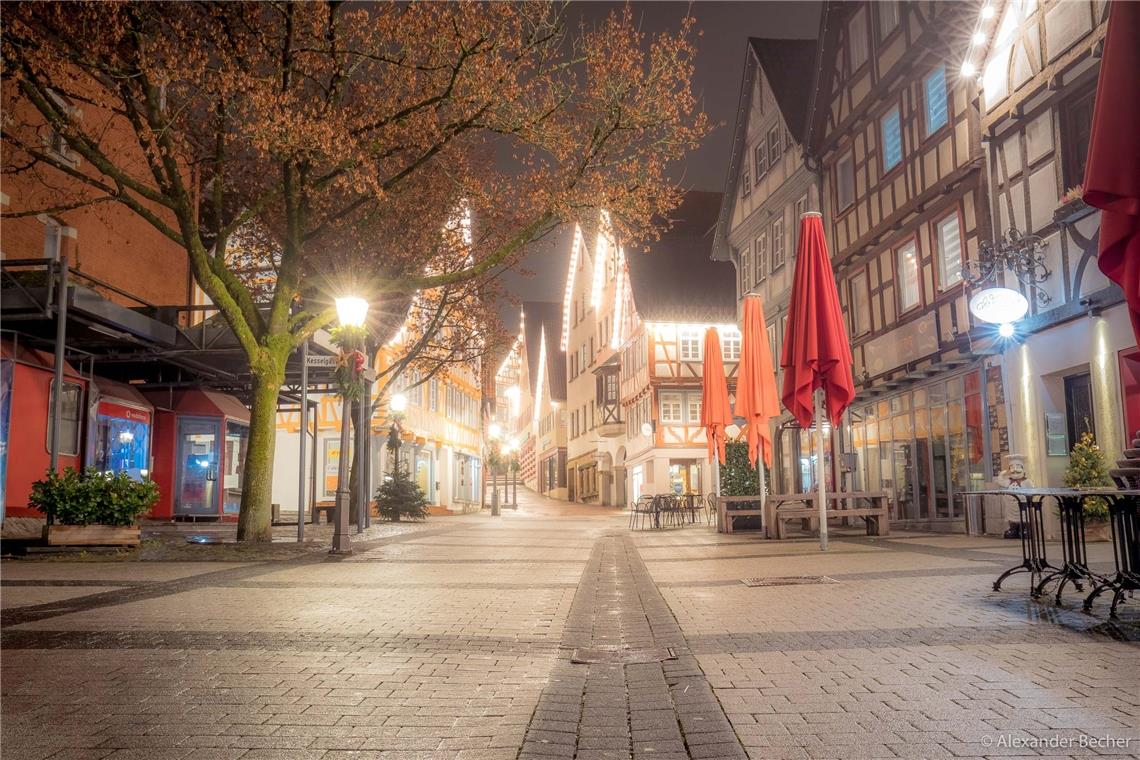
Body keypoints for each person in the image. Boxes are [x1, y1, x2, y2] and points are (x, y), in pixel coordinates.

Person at [996, 454, 1033, 539]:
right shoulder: (1009, 481)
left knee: (1023, 516)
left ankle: (1024, 529)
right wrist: (1002, 474)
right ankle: (1013, 529)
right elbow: (1000, 482)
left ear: (1023, 468)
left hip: (1022, 505)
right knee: (1011, 518)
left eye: (1018, 467)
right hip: (1010, 506)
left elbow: (1032, 490)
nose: (1015, 470)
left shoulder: (1027, 481)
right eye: (1012, 467)